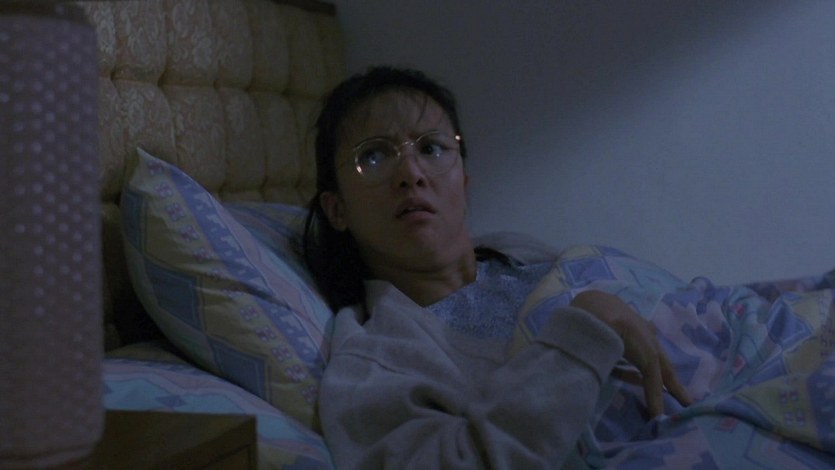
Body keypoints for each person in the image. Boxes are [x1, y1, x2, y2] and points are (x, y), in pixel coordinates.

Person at [303, 66, 691, 469]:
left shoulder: (525, 254)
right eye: (373, 156)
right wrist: (585, 334)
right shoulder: (374, 360)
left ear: (464, 180)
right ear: (337, 209)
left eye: (431, 148)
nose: (411, 174)